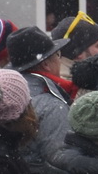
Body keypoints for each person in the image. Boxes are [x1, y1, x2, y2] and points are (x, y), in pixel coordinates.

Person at [7, 26, 74, 159]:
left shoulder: (4, 96)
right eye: (58, 55)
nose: (60, 61)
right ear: (46, 65)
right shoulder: (52, 106)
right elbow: (59, 159)